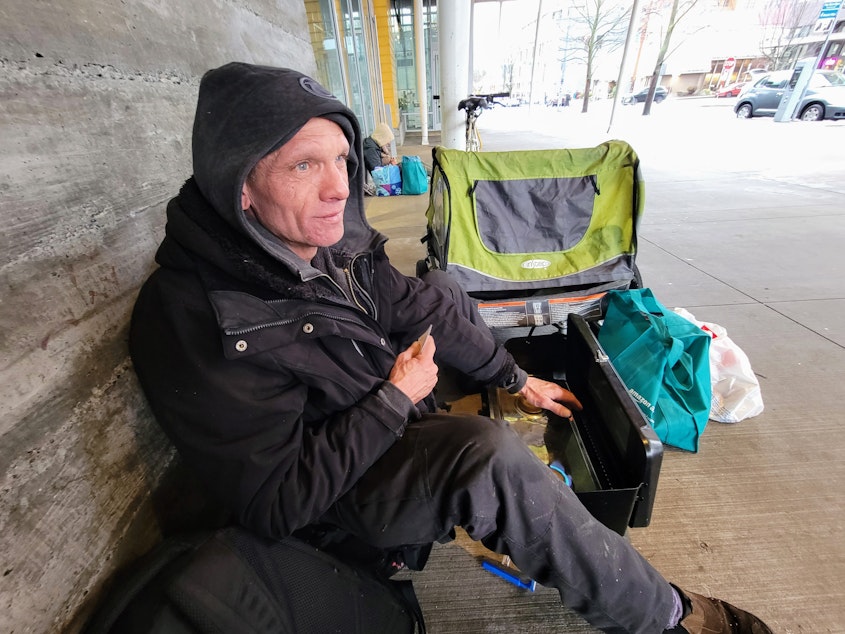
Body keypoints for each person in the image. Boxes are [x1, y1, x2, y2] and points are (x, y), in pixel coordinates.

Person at [129, 62, 773, 634]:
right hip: (330, 505)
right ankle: (668, 619)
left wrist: (517, 378)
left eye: (341, 160)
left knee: (440, 285)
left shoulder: (325, 244)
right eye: (303, 165)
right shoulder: (197, 317)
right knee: (484, 455)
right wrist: (393, 400)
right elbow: (277, 504)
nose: (336, 189)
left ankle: (514, 487)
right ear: (239, 185)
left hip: (382, 412)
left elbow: (424, 305)